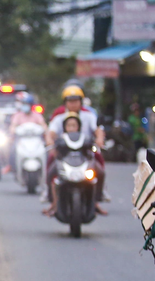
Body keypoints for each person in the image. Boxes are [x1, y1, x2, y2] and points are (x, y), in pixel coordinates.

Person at [45, 85, 108, 213]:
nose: (73, 104)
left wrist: (99, 140)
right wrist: (50, 144)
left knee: (100, 171)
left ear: (81, 101)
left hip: (85, 153)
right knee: (51, 170)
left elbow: (98, 130)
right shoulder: (58, 118)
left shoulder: (89, 116)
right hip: (64, 154)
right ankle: (53, 200)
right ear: (65, 103)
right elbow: (50, 133)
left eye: (76, 101)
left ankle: (95, 200)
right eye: (70, 101)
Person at [42, 113, 98, 216]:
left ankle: (96, 201)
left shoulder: (85, 138)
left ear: (79, 127)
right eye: (69, 125)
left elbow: (92, 148)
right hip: (65, 166)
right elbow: (53, 148)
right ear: (64, 127)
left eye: (74, 125)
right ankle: (54, 202)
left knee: (98, 173)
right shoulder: (61, 140)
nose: (71, 128)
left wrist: (97, 145)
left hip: (82, 166)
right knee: (51, 173)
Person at [4, 93, 46, 173]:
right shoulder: (18, 116)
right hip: (21, 140)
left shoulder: (37, 116)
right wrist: (12, 133)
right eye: (24, 104)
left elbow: (43, 126)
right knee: (12, 149)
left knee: (45, 150)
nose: (25, 106)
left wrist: (45, 134)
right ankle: (11, 166)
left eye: (27, 104)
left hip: (35, 140)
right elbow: (13, 127)